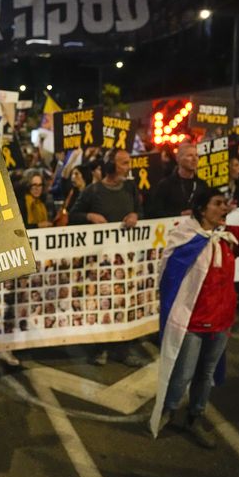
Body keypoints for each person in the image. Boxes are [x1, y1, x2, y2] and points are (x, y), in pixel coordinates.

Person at [150, 188, 239, 447]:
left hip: (221, 322)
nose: (225, 208)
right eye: (218, 203)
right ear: (202, 209)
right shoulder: (185, 237)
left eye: (226, 203)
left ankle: (195, 417)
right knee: (183, 374)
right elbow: (169, 279)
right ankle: (169, 408)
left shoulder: (229, 237)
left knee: (206, 373)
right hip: (192, 322)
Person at [69, 150, 145, 366]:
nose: (129, 167)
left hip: (125, 259)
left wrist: (136, 215)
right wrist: (89, 216)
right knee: (101, 303)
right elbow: (73, 216)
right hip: (100, 261)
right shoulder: (92, 191)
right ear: (111, 166)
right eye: (124, 163)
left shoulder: (130, 188)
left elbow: (141, 211)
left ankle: (122, 349)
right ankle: (99, 349)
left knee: (124, 301)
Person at [147, 143, 208, 218]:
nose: (194, 159)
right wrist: (179, 214)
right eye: (190, 155)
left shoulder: (202, 185)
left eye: (196, 155)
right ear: (178, 159)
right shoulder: (166, 185)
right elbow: (154, 212)